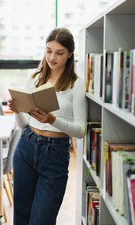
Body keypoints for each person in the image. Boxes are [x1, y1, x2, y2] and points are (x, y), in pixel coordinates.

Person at [8, 27, 87, 225]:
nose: (52, 57)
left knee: (42, 219)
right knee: (21, 215)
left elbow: (80, 131)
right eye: (48, 50)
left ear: (69, 54)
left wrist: (52, 120)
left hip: (55, 152)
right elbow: (23, 126)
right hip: (27, 145)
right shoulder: (34, 79)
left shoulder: (76, 84)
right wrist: (18, 110)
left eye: (59, 53)